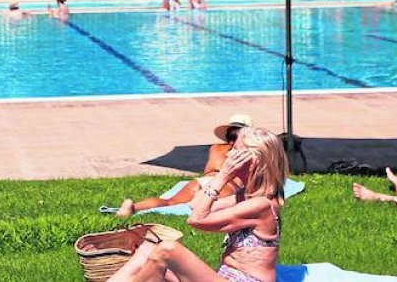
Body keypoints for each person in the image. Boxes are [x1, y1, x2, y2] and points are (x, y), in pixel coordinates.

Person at [108, 126, 288, 282]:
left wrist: (222, 177)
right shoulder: (244, 196)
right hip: (223, 276)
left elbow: (196, 220)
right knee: (147, 249)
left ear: (254, 161)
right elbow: (195, 205)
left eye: (237, 151)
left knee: (167, 250)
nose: (229, 154)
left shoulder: (261, 205)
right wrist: (222, 178)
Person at [114, 114, 252, 218]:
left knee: (170, 201)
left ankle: (133, 206)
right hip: (224, 184)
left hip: (202, 180)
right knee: (209, 208)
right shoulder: (248, 153)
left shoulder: (215, 148)